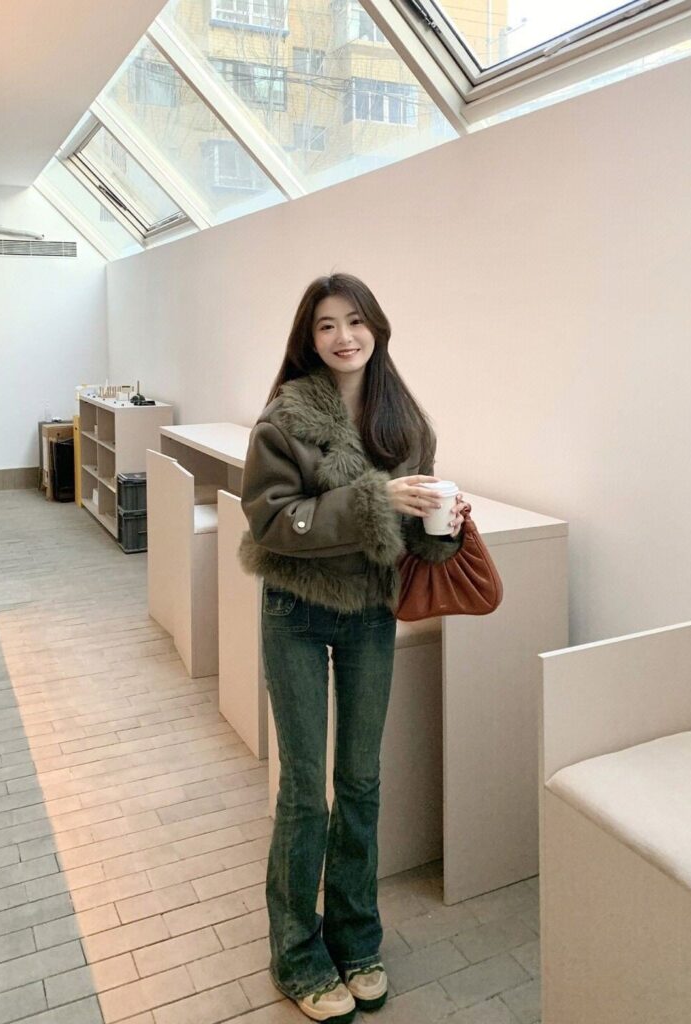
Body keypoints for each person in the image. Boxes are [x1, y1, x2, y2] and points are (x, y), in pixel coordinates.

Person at [239, 273, 470, 1022]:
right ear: (309, 339)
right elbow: (271, 521)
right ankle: (296, 953)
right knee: (306, 789)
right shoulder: (283, 419)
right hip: (296, 610)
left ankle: (355, 937)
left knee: (362, 781)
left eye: (356, 321)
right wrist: (375, 499)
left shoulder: (406, 421)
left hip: (371, 611)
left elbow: (408, 541)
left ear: (377, 327)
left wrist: (442, 529)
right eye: (327, 325)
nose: (344, 337)